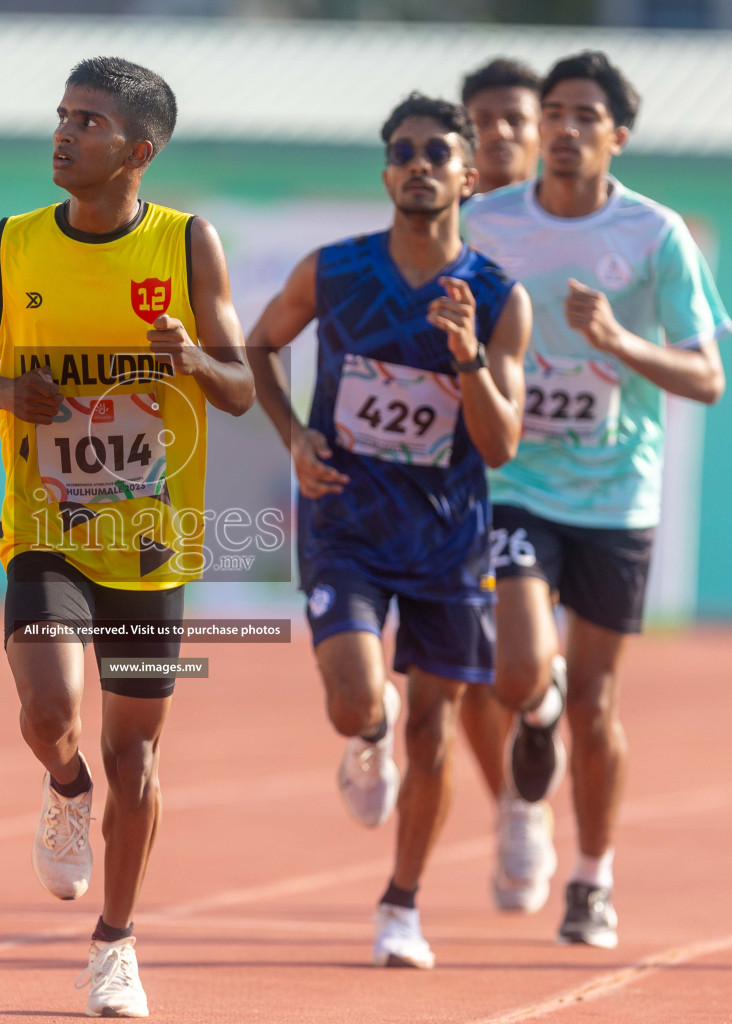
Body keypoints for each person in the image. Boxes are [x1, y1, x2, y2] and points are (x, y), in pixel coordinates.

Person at [0, 57, 252, 1017]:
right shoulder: (12, 243)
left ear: (139, 151)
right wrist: (0, 389)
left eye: (90, 123)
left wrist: (191, 357)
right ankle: (62, 785)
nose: (64, 134)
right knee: (45, 712)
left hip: (153, 546)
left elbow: (240, 390)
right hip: (47, 529)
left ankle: (116, 945)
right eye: (62, 115)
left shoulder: (187, 245)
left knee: (138, 761)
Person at [247, 92, 530, 968]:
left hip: (448, 536)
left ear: (468, 176)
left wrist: (468, 358)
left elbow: (502, 444)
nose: (419, 164)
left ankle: (401, 906)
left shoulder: (495, 297)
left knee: (435, 732)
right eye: (403, 151)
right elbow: (258, 348)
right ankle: (370, 732)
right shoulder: (333, 269)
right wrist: (295, 440)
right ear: (385, 172)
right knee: (357, 701)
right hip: (346, 518)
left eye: (437, 153)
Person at [464, 51, 732, 949]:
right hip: (515, 483)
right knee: (518, 672)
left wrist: (616, 338)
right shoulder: (486, 222)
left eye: (587, 115)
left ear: (618, 135)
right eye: (555, 113)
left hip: (618, 494)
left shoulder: (655, 236)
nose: (566, 128)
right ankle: (533, 708)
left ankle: (593, 878)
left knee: (598, 706)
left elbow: (707, 377)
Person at [458, 56, 563, 915]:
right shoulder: (434, 222)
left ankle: (540, 708)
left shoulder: (580, 219)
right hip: (451, 479)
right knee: (457, 671)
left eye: (513, 121)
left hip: (555, 479)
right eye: (480, 119)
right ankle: (516, 807)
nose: (496, 135)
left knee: (519, 668)